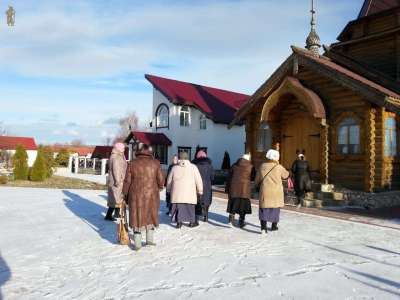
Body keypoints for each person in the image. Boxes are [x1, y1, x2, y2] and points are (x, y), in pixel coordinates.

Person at [122, 144, 164, 251]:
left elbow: (127, 181)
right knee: (151, 215)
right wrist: (158, 188)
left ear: (138, 151)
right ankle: (149, 240)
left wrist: (125, 194)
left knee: (137, 217)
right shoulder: (156, 163)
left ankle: (137, 244)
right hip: (152, 194)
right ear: (149, 152)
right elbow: (161, 180)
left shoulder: (132, 163)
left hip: (135, 194)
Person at [255, 149, 289, 234]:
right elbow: (286, 175)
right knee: (275, 209)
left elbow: (257, 179)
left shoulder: (262, 166)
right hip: (276, 192)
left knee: (264, 209)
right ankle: (274, 226)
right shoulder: (279, 167)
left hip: (265, 191)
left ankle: (263, 228)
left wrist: (256, 186)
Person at [167, 152, 203, 228]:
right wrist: (200, 191)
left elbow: (169, 181)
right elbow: (198, 180)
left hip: (177, 194)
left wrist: (168, 190)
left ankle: (179, 222)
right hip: (190, 194)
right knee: (190, 208)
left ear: (179, 158)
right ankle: (191, 222)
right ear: (188, 158)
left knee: (178, 208)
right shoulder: (193, 167)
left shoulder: (174, 168)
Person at [226, 154, 253, 228]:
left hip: (234, 189)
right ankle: (241, 221)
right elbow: (253, 177)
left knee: (233, 205)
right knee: (243, 206)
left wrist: (227, 189)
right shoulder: (250, 166)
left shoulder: (234, 165)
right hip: (245, 190)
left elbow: (229, 177)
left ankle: (231, 220)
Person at [105, 142, 127, 221]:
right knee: (116, 198)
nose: (124, 149)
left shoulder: (117, 155)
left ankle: (116, 213)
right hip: (117, 180)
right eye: (123, 148)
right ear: (119, 149)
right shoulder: (116, 157)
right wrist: (118, 181)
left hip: (115, 179)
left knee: (116, 197)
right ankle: (109, 215)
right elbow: (116, 169)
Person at [192, 150, 214, 222]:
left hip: (196, 185)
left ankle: (196, 216)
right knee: (207, 201)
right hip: (207, 185)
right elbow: (212, 177)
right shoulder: (210, 165)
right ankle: (206, 216)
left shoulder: (194, 165)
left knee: (197, 200)